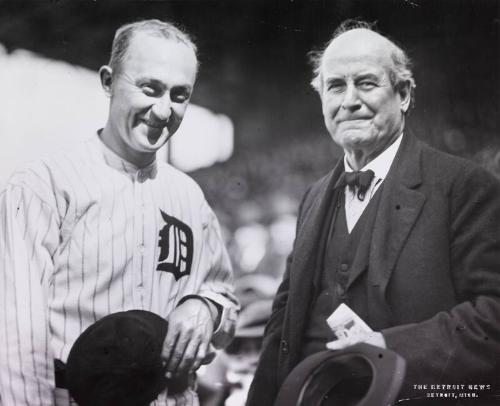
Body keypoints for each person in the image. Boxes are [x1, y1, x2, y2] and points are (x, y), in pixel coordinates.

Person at [247, 20, 500, 405]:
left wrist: (388, 347)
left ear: (404, 94)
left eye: (365, 83)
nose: (349, 100)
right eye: (335, 86)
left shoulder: (465, 186)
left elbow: (493, 316)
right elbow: (282, 326)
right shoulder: (313, 197)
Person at [0, 19, 238, 406]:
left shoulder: (189, 196)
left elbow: (225, 294)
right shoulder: (41, 186)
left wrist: (206, 307)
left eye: (179, 95)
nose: (163, 111)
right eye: (150, 89)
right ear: (109, 81)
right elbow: (18, 350)